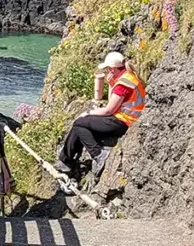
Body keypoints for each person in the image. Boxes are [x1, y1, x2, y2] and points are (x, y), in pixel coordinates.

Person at [54, 51, 147, 181]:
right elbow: (112, 104)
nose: (108, 71)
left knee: (79, 123)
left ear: (113, 69)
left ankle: (96, 155)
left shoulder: (122, 85)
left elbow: (109, 110)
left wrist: (87, 113)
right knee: (79, 127)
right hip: (124, 119)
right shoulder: (128, 77)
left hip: (123, 122)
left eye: (109, 69)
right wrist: (110, 84)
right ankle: (66, 161)